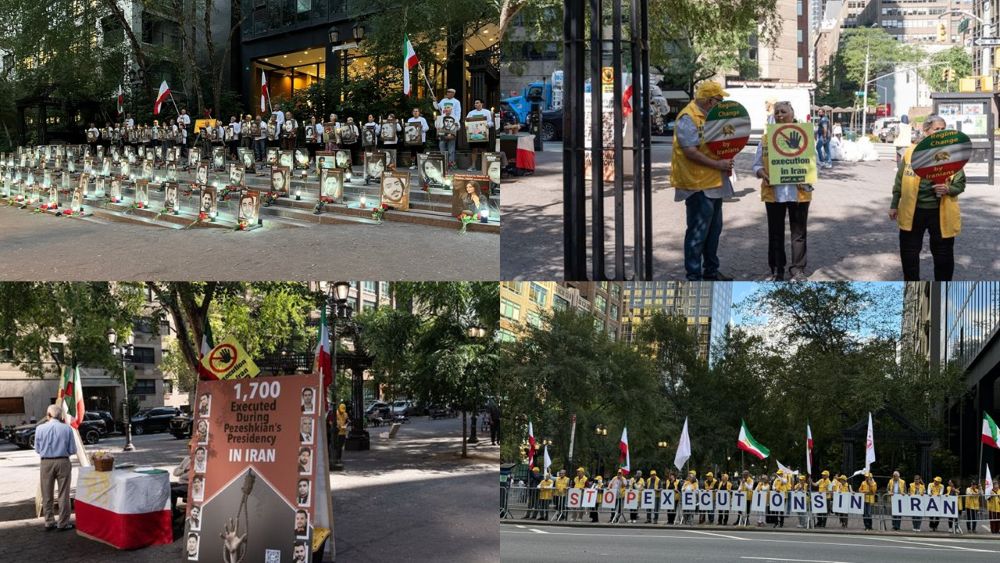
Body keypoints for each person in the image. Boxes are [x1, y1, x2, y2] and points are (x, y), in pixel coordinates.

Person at [671, 80, 735, 281]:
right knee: (698, 234)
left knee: (714, 232)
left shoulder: (710, 117)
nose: (722, 102)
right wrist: (719, 165)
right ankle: (694, 276)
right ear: (708, 101)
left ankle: (711, 271)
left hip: (713, 183)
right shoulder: (688, 117)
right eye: (719, 99)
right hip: (697, 185)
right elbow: (690, 152)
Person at [889, 114, 965, 281]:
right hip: (913, 212)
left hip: (940, 212)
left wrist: (948, 188)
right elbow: (899, 180)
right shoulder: (910, 153)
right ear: (925, 131)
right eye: (937, 129)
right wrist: (894, 204)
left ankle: (943, 289)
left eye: (943, 129)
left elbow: (961, 184)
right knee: (909, 253)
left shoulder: (951, 153)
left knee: (943, 254)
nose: (941, 133)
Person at [753, 101, 813, 281]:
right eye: (776, 112)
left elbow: (815, 164)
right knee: (775, 233)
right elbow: (756, 164)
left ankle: (798, 270)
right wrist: (762, 173)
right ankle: (777, 270)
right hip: (773, 193)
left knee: (799, 233)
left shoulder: (805, 136)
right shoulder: (766, 139)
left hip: (799, 193)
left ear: (792, 113)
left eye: (783, 111)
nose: (779, 115)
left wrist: (806, 175)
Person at [35, 404, 76, 531]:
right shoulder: (67, 429)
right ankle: (63, 523)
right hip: (63, 461)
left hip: (46, 462)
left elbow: (37, 449)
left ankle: (49, 521)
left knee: (47, 493)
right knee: (64, 493)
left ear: (48, 415)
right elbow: (72, 449)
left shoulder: (40, 428)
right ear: (60, 416)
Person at [466, 99, 494, 171]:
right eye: (475, 103)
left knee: (483, 150)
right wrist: (466, 125)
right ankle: (473, 166)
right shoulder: (471, 113)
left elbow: (491, 122)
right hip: (473, 135)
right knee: (474, 150)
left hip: (483, 134)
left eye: (477, 103)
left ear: (482, 104)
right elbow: (466, 121)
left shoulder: (487, 112)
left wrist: (487, 125)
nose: (475, 104)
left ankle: (485, 167)